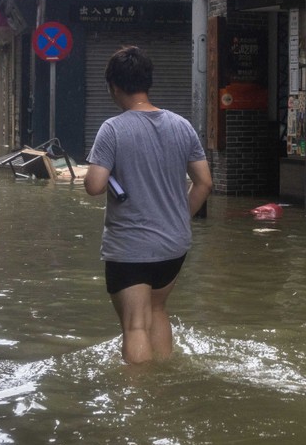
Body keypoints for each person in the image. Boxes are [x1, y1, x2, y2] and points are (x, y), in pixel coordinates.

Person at [84, 46, 213, 364]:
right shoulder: (181, 126)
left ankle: (140, 400)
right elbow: (205, 183)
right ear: (148, 82)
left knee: (135, 325)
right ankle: (165, 378)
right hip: (173, 245)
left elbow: (95, 186)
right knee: (157, 310)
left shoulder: (112, 130)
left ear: (114, 87)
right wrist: (181, 218)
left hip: (131, 247)